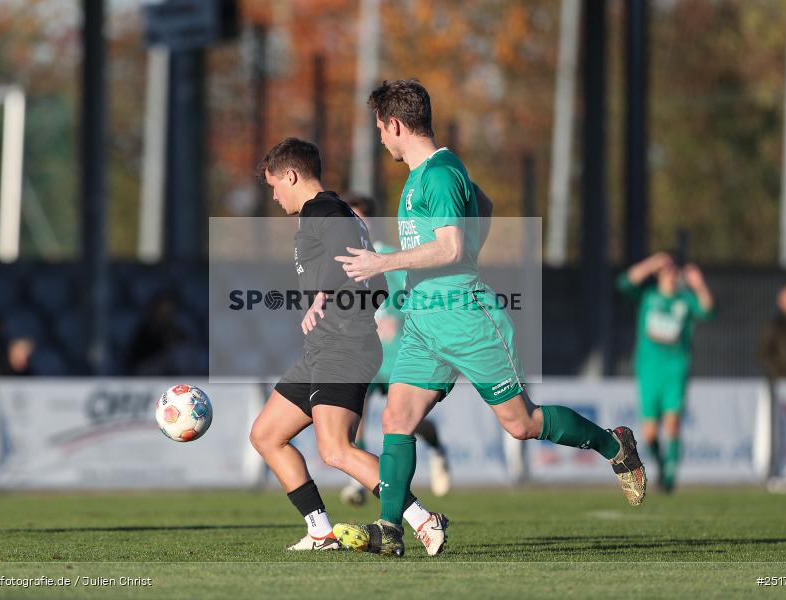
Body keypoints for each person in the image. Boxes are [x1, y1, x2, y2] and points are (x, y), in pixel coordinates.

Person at [331, 80, 646, 557]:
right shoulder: (427, 173)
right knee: (397, 417)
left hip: (465, 318)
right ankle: (390, 529)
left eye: (380, 128)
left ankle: (613, 445)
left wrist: (383, 264)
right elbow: (486, 207)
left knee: (521, 423)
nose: (379, 137)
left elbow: (452, 246)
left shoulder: (436, 175)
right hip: (424, 322)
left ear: (395, 125)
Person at [247, 137, 444, 554]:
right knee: (267, 434)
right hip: (325, 347)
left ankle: (422, 518)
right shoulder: (331, 211)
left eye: (274, 186)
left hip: (344, 347)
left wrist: (322, 295)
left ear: (291, 175)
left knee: (336, 449)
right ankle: (321, 530)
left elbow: (350, 267)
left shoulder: (323, 210)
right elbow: (370, 282)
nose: (274, 195)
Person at [340, 194, 451, 505]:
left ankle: (437, 445)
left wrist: (394, 318)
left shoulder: (392, 259)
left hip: (397, 352)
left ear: (372, 223)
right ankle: (357, 482)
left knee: (406, 421)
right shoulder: (343, 262)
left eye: (361, 219)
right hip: (362, 354)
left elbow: (419, 295)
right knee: (354, 412)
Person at [617, 252, 715, 492]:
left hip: (675, 370)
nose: (671, 277)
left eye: (674, 272)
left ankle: (670, 473)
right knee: (649, 432)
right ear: (659, 275)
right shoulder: (649, 296)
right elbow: (624, 283)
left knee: (672, 424)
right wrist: (651, 262)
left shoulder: (685, 300)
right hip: (649, 370)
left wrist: (699, 284)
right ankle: (661, 465)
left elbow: (709, 312)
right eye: (666, 272)